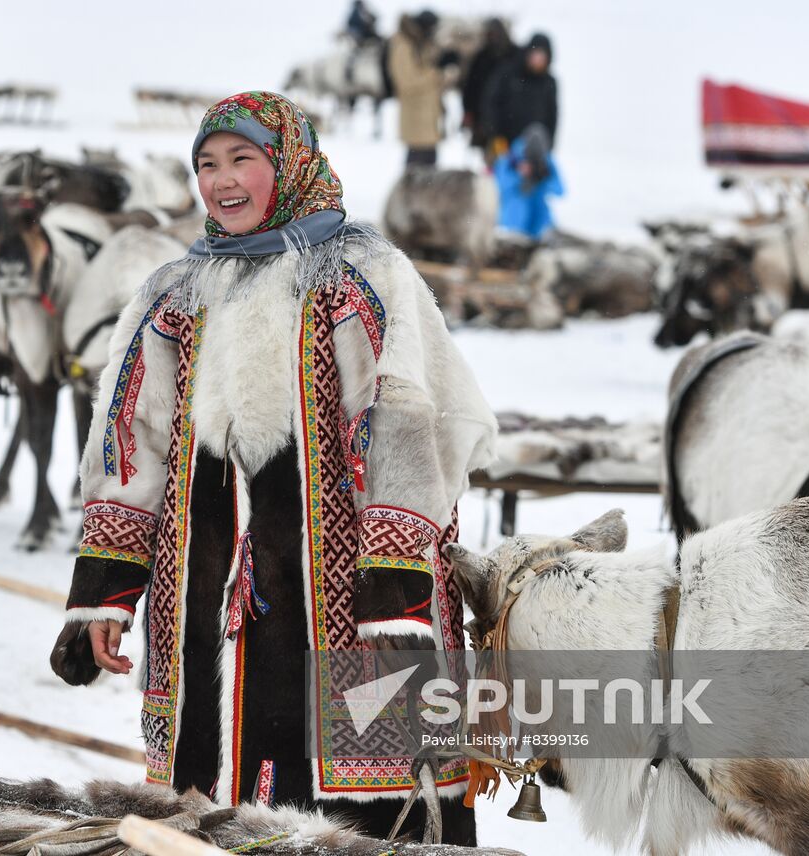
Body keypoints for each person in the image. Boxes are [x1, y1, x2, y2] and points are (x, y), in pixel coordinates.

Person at [50, 91, 496, 844]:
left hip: (349, 609)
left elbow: (413, 424)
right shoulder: (174, 293)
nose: (222, 181)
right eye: (206, 165)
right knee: (213, 809)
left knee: (365, 811)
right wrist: (104, 595)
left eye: (242, 160)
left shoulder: (359, 277)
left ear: (287, 164)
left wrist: (397, 591)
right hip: (203, 603)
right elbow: (133, 442)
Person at [481, 31, 557, 164]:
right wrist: (495, 134)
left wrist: (549, 143)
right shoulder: (508, 73)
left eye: (542, 56)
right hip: (504, 143)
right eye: (535, 55)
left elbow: (552, 115)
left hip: (534, 148)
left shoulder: (549, 83)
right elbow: (491, 103)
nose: (538, 60)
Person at [386, 11, 445, 166]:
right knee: (417, 170)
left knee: (429, 168)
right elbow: (406, 82)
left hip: (426, 119)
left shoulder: (417, 44)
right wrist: (435, 75)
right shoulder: (403, 46)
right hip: (416, 119)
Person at [494, 122, 562, 240]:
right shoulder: (511, 160)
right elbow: (497, 187)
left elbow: (560, 190)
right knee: (517, 205)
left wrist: (544, 176)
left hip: (538, 219)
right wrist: (518, 177)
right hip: (512, 219)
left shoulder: (546, 161)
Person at [460, 18, 515, 150]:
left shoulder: (513, 55)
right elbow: (469, 88)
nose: (494, 37)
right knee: (489, 157)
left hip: (509, 117)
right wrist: (468, 112)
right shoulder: (481, 57)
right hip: (483, 119)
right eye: (491, 34)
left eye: (496, 34)